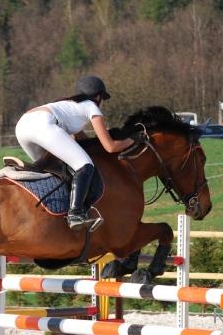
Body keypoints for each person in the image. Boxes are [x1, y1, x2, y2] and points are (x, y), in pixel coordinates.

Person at [15, 75, 134, 230]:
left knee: (52, 170)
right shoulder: (91, 106)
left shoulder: (69, 105)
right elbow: (110, 147)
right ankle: (75, 214)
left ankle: (53, 210)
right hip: (43, 125)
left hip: (22, 126)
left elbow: (80, 139)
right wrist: (132, 140)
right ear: (98, 97)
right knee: (85, 165)